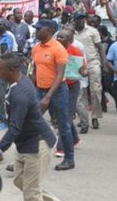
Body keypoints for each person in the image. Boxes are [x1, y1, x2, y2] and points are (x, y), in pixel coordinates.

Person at [0, 52, 59, 201]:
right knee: (21, 181)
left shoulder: (20, 94)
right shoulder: (19, 80)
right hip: (24, 144)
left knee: (31, 194)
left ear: (11, 70)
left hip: (36, 145)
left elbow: (14, 128)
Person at [32, 19, 74, 171]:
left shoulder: (58, 49)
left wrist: (48, 96)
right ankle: (27, 157)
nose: (36, 31)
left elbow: (59, 75)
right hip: (40, 90)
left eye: (38, 29)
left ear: (49, 31)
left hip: (57, 91)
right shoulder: (36, 48)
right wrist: (33, 89)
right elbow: (35, 70)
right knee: (31, 122)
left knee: (63, 126)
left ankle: (69, 159)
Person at [73, 11, 106, 130]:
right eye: (79, 19)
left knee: (96, 90)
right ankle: (84, 117)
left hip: (93, 62)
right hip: (77, 64)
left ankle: (95, 117)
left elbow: (100, 48)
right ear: (74, 21)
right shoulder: (71, 32)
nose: (81, 21)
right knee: (80, 93)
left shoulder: (93, 31)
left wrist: (104, 63)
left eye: (83, 19)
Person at [55, 28, 86, 157]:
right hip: (58, 86)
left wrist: (84, 72)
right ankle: (75, 139)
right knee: (63, 115)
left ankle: (61, 147)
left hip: (72, 86)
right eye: (58, 36)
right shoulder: (54, 49)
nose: (58, 39)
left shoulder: (75, 51)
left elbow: (82, 68)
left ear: (69, 40)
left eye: (62, 37)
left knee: (65, 116)